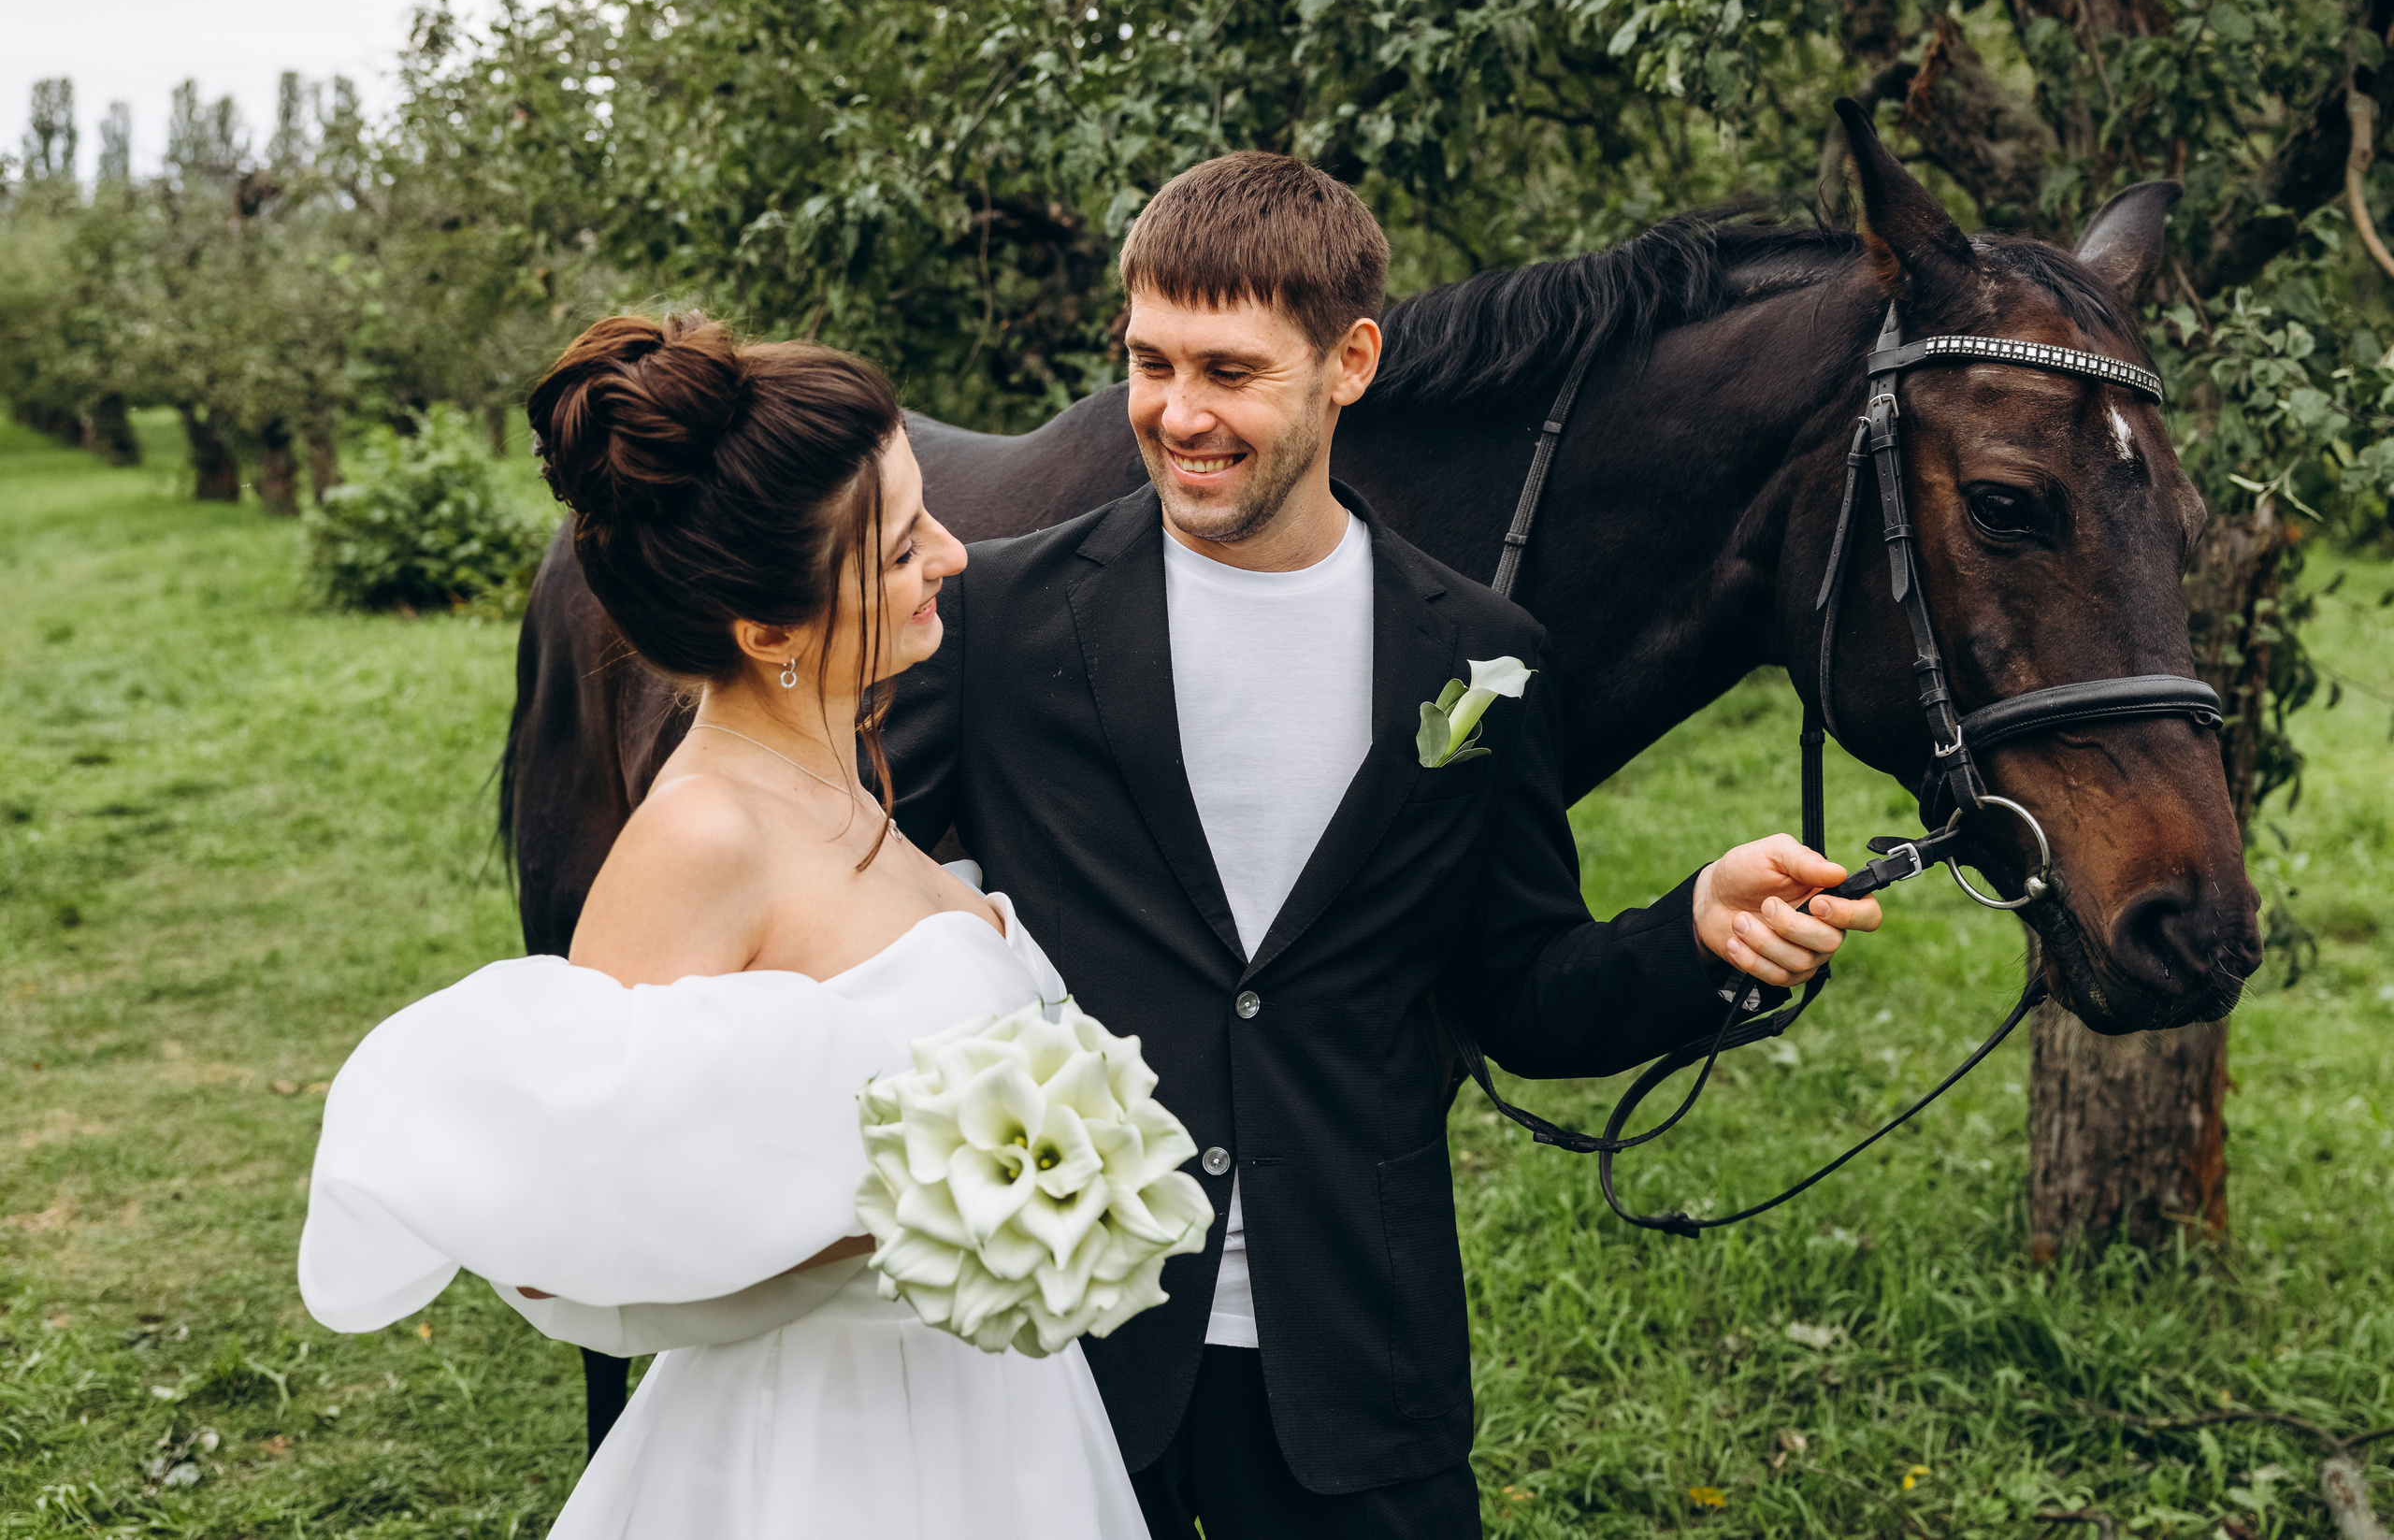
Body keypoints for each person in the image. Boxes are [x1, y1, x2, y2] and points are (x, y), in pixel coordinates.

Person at [875, 151, 1883, 1539]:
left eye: (1229, 372)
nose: (1177, 415)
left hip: (1359, 1370)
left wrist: (1695, 929)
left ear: (1352, 361)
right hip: (1061, 1372)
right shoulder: (1002, 621)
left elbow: (1520, 990)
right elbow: (852, 886)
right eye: (1150, 362)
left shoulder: (1483, 657)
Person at [296, 316, 1147, 1538]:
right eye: (904, 548)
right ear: (770, 632)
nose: (954, 556)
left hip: (1004, 1427)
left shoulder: (842, 782)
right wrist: (909, 1218)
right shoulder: (703, 838)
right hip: (837, 1462)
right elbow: (567, 1218)